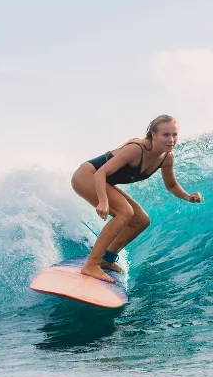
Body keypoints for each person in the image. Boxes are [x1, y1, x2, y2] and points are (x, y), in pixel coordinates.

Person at [70, 115, 203, 283]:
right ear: (153, 135)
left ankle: (106, 259)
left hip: (102, 181)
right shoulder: (136, 149)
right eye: (165, 135)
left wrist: (188, 197)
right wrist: (103, 201)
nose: (171, 140)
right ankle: (91, 264)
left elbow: (171, 185)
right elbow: (101, 173)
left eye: (174, 135)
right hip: (87, 176)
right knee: (125, 212)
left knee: (141, 220)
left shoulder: (166, 157)